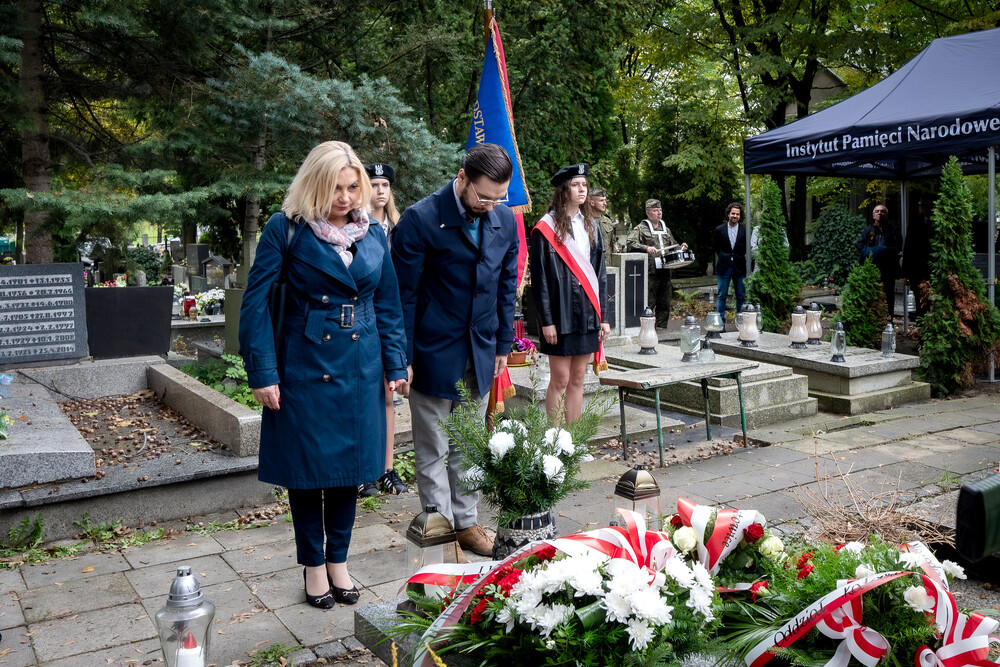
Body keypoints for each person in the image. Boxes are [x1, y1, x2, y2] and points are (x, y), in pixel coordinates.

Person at [238, 141, 408, 609]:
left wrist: (395, 363)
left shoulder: (371, 233)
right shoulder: (286, 229)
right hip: (305, 364)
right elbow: (255, 304)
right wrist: (263, 372)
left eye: (353, 187)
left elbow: (388, 304)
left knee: (348, 469)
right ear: (314, 184)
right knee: (308, 471)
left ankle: (339, 561)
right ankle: (314, 565)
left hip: (360, 364)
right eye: (336, 188)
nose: (346, 197)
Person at [391, 143, 519, 559]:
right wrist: (402, 357)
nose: (490, 206)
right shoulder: (420, 219)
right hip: (433, 350)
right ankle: (440, 532)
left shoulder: (503, 218)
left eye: (499, 198)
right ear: (462, 177)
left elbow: (506, 286)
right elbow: (403, 296)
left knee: (470, 444)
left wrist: (503, 344)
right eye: (484, 196)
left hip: (481, 351)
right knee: (433, 448)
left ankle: (466, 523)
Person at [531, 164, 610, 422]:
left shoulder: (592, 226)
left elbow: (599, 274)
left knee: (578, 378)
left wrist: (604, 317)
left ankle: (573, 438)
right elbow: (540, 280)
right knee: (561, 379)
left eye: (584, 185)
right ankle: (554, 438)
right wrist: (547, 321)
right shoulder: (546, 227)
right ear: (564, 190)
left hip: (588, 313)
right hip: (560, 314)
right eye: (576, 185)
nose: (582, 190)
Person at [357, 162, 408, 498]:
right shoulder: (356, 227)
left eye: (385, 185)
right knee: (363, 399)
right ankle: (363, 471)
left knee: (388, 396)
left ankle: (386, 468)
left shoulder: (398, 228)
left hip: (389, 318)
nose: (380, 191)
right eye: (374, 184)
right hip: (363, 319)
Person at [625, 198, 687, 328]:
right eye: (655, 210)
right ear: (648, 213)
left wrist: (681, 247)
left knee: (665, 302)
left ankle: (661, 328)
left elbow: (673, 245)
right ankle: (644, 329)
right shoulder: (641, 229)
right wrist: (646, 248)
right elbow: (630, 243)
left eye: (660, 210)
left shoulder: (665, 229)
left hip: (665, 271)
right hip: (649, 273)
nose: (659, 213)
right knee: (648, 302)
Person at [856, 203, 902, 319]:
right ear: (873, 216)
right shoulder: (868, 231)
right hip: (871, 269)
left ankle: (889, 320)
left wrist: (878, 251)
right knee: (871, 297)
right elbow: (860, 247)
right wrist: (878, 251)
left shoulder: (894, 230)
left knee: (888, 296)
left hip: (888, 270)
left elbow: (896, 248)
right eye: (877, 211)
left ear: (887, 215)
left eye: (882, 211)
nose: (880, 213)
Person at [713, 202, 747, 323]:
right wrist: (725, 257)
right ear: (728, 214)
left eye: (737, 214)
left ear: (740, 216)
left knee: (741, 295)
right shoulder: (719, 229)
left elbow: (746, 247)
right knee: (722, 295)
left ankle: (740, 322)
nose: (735, 216)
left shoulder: (744, 230)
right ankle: (720, 323)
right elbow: (716, 247)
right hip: (724, 266)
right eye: (733, 213)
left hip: (739, 266)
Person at [902, 195, 934, 319]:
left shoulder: (936, 222)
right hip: (917, 270)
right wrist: (905, 273)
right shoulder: (914, 222)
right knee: (919, 301)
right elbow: (908, 248)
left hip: (932, 269)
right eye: (924, 206)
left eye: (929, 206)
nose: (927, 209)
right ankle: (921, 325)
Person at [589, 187, 617, 256]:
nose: (605, 203)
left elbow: (613, 244)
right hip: (591, 261)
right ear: (592, 203)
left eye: (605, 200)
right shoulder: (584, 221)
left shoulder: (607, 221)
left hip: (607, 261)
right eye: (601, 201)